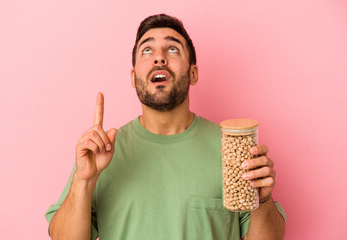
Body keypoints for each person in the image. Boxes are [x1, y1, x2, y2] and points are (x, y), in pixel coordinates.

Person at [45, 13, 286, 240]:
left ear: (193, 73)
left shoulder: (231, 148)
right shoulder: (102, 152)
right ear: (133, 77)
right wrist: (84, 179)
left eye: (172, 49)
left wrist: (262, 200)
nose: (159, 57)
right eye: (147, 50)